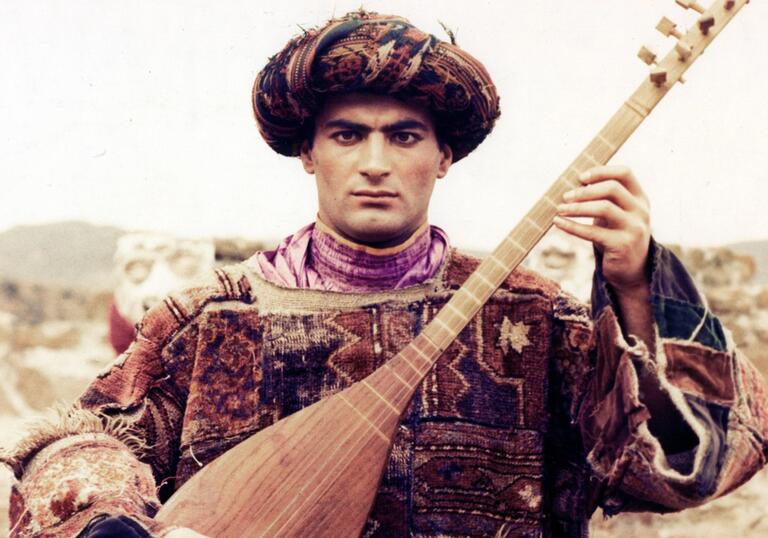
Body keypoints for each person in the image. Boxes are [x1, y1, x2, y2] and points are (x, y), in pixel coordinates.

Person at [3, 10, 767, 538]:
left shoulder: (535, 323)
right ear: (309, 153)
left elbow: (682, 469)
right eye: (347, 135)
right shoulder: (209, 322)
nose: (374, 163)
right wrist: (107, 516)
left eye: (404, 136)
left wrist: (635, 286)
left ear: (444, 157)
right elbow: (77, 443)